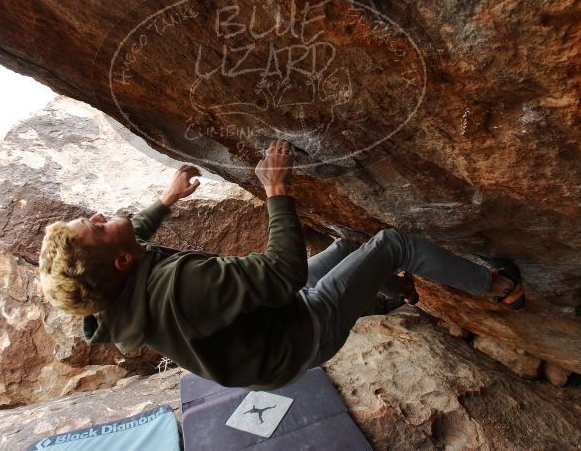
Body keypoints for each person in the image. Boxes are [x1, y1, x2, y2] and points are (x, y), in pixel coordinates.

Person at [38, 139, 524, 390]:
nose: (99, 216)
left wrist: (166, 200)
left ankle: (397, 291)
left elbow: (131, 238)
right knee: (390, 243)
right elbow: (282, 275)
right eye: (96, 227)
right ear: (120, 260)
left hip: (263, 334)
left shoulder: (118, 296)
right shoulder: (180, 288)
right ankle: (497, 285)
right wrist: (277, 190)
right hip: (298, 338)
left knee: (346, 246)